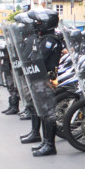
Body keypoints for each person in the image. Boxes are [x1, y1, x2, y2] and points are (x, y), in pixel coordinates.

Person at [26, 9, 63, 157]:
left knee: (48, 112)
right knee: (42, 111)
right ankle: (45, 140)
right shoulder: (43, 38)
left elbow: (40, 58)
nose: (37, 24)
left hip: (46, 80)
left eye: (39, 22)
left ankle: (50, 145)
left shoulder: (50, 40)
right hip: (38, 79)